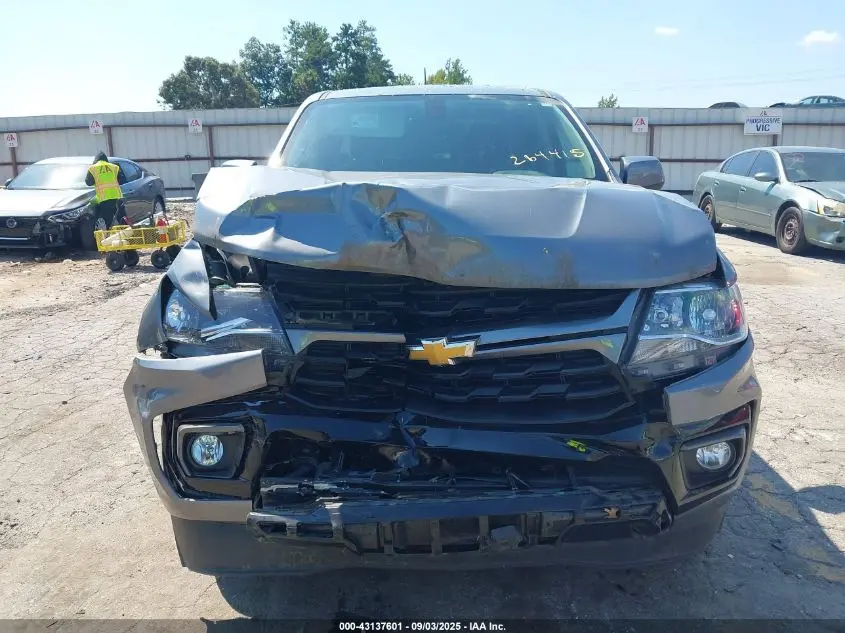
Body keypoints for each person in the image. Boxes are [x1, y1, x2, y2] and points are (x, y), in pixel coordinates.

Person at [85, 151, 127, 227]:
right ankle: (127, 236)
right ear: (106, 159)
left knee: (109, 222)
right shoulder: (114, 167)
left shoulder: (92, 169)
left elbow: (88, 182)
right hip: (117, 197)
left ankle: (112, 236)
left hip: (104, 199)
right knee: (122, 219)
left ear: (96, 160)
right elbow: (122, 180)